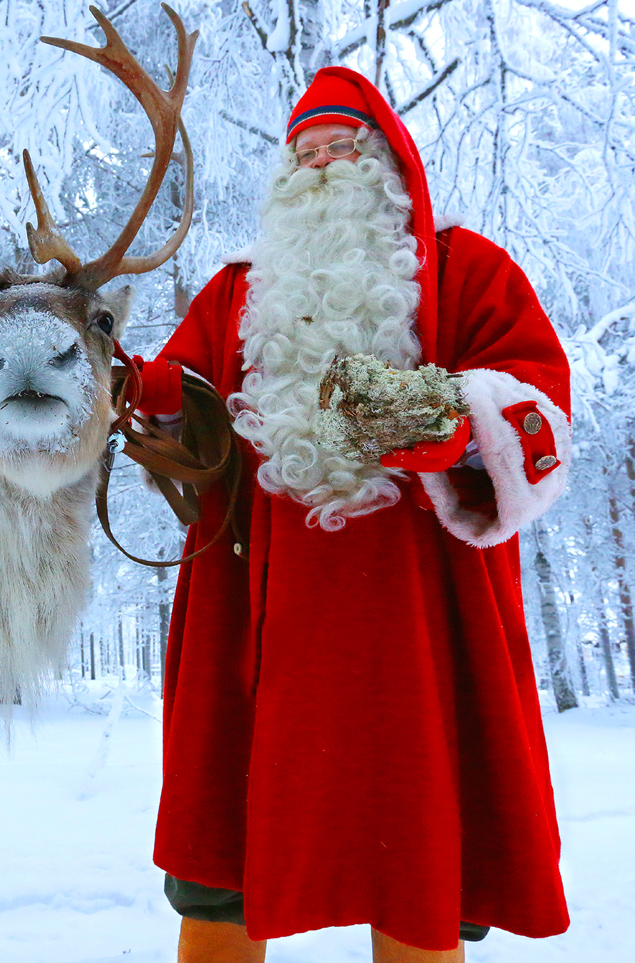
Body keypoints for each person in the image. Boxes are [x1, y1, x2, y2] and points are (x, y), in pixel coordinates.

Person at [131, 68, 574, 963]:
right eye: (305, 155)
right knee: (228, 850)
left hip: (414, 627)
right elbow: (185, 412)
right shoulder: (234, 295)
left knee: (412, 845)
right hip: (260, 619)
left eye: (342, 148)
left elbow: (540, 412)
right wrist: (131, 393)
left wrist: (412, 413)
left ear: (388, 165)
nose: (323, 166)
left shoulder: (467, 269)